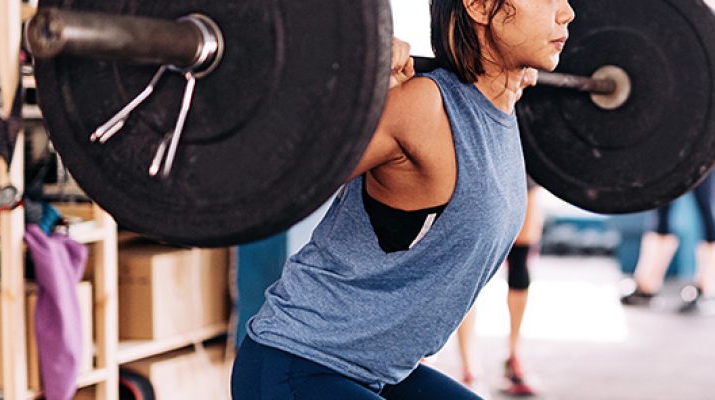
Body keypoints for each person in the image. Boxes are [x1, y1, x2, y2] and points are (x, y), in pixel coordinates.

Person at [231, 0, 574, 398]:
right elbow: (276, 178)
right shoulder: (423, 106)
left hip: (383, 370)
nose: (567, 12)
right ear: (479, 6)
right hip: (300, 361)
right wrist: (351, 74)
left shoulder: (501, 107)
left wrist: (508, 82)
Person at [453, 184, 545, 396]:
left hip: (528, 166)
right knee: (472, 263)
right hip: (483, 168)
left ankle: (514, 355)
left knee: (520, 259)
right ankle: (469, 367)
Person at [619, 165, 715, 315]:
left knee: (707, 207)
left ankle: (708, 289)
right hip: (669, 151)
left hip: (703, 149)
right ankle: (646, 286)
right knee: (661, 210)